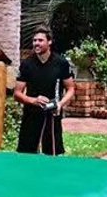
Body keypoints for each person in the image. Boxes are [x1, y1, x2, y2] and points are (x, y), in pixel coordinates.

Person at [13, 26, 76, 155]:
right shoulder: (27, 64)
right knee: (26, 155)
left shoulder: (61, 63)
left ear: (49, 42)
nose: (36, 43)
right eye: (34, 40)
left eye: (40, 40)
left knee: (52, 154)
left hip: (52, 115)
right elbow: (17, 93)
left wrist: (60, 104)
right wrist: (34, 100)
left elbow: (70, 88)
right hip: (31, 115)